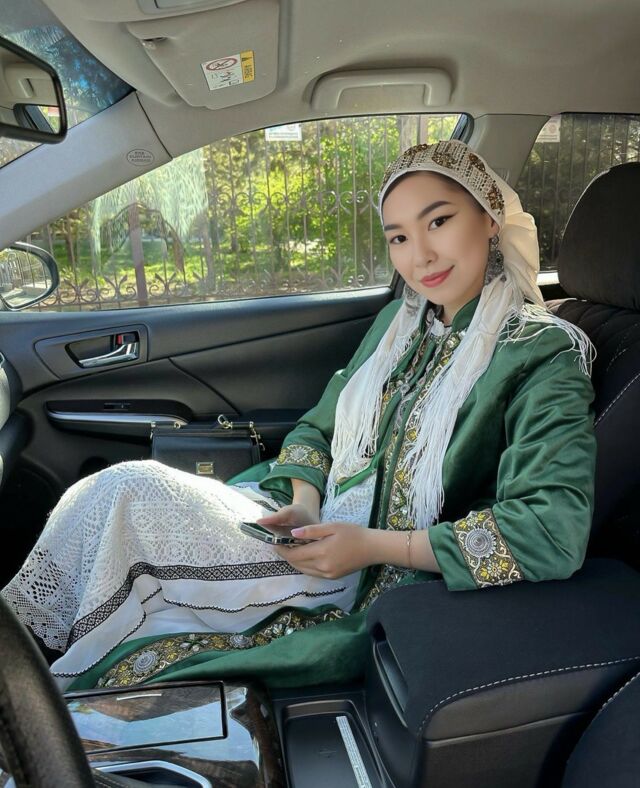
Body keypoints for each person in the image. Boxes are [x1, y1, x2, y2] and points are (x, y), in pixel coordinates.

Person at [1, 139, 597, 692]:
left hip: (371, 576)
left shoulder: (541, 353)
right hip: (315, 529)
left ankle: (29, 694)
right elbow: (318, 427)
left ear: (490, 220)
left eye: (438, 221)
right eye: (398, 237)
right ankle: (24, 667)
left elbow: (551, 530)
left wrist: (375, 547)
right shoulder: (401, 325)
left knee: (127, 507)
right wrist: (306, 503)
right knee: (116, 493)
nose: (420, 256)